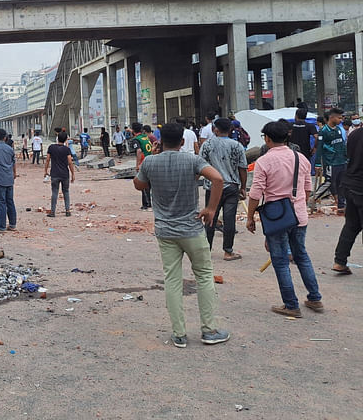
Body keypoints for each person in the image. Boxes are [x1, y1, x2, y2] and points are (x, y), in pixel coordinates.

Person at [133, 123, 229, 348]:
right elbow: (217, 179)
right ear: (183, 141)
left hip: (166, 231)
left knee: (172, 280)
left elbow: (139, 185)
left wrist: (151, 160)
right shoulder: (192, 160)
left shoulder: (150, 162)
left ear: (159, 140)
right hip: (192, 228)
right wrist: (212, 209)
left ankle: (179, 334)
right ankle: (209, 329)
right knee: (204, 276)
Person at [246, 120, 323, 317]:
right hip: (299, 216)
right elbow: (307, 190)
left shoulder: (264, 161)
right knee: (301, 256)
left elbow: (255, 193)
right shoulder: (301, 158)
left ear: (267, 139)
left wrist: (250, 218)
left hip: (277, 217)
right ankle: (315, 298)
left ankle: (291, 305)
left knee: (280, 261)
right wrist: (297, 205)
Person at [198, 118, 247, 260]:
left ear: (215, 130)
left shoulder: (207, 145)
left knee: (210, 217)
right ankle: (228, 251)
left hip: (212, 186)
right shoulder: (236, 145)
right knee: (229, 218)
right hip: (232, 186)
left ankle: (206, 249)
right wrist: (243, 187)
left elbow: (200, 165)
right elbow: (242, 168)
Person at [333, 120, 363, 275]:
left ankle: (340, 261)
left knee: (351, 225)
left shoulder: (354, 134)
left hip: (350, 184)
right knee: (352, 225)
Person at [317, 107, 347, 214]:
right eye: (339, 118)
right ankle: (314, 198)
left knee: (342, 183)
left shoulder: (338, 130)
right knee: (329, 183)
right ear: (332, 117)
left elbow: (342, 145)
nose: (341, 120)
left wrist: (346, 158)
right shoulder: (323, 131)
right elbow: (319, 148)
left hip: (341, 161)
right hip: (330, 162)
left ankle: (341, 205)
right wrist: (317, 164)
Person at [44, 131, 76, 218]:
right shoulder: (67, 149)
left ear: (57, 138)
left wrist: (45, 171)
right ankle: (67, 210)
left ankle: (53, 212)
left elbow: (47, 160)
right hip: (65, 174)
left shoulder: (51, 147)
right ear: (66, 139)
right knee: (66, 192)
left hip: (54, 173)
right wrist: (73, 174)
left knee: (54, 192)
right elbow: (70, 162)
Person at [0, 128, 18, 232]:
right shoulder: (10, 149)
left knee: (1, 203)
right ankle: (12, 224)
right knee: (10, 201)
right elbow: (13, 162)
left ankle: (2, 226)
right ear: (5, 137)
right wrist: (14, 173)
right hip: (9, 178)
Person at [129, 122, 154, 210]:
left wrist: (138, 165)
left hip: (144, 163)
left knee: (143, 183)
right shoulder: (145, 137)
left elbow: (139, 151)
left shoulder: (136, 140)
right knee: (150, 184)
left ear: (133, 130)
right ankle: (151, 203)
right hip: (151, 161)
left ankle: (146, 205)